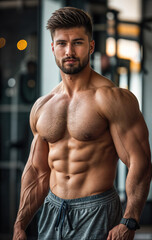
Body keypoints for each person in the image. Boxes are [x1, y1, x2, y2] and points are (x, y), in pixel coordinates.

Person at [13, 7, 152, 240]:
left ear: (91, 46)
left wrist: (129, 220)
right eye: (61, 44)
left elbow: (140, 162)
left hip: (98, 210)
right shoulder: (42, 106)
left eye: (77, 42)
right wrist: (20, 224)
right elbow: (37, 171)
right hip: (53, 211)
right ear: (52, 48)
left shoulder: (112, 98)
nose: (69, 51)